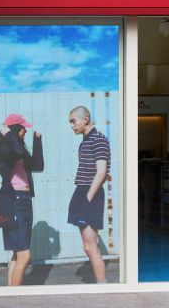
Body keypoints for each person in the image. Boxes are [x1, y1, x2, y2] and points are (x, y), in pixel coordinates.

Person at [0, 114, 44, 286]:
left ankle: (10, 292)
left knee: (18, 254)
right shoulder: (4, 149)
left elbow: (38, 166)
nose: (26, 131)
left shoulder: (18, 148)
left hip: (24, 200)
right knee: (24, 255)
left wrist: (37, 142)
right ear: (16, 129)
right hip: (14, 201)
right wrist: (9, 133)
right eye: (23, 128)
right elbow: (17, 151)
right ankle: (16, 296)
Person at [68, 105, 111, 284]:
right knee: (89, 245)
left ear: (85, 119)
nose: (71, 125)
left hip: (89, 194)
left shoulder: (98, 139)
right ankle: (102, 285)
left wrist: (87, 199)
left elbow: (101, 173)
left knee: (90, 246)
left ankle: (103, 287)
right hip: (82, 192)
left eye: (73, 121)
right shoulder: (84, 141)